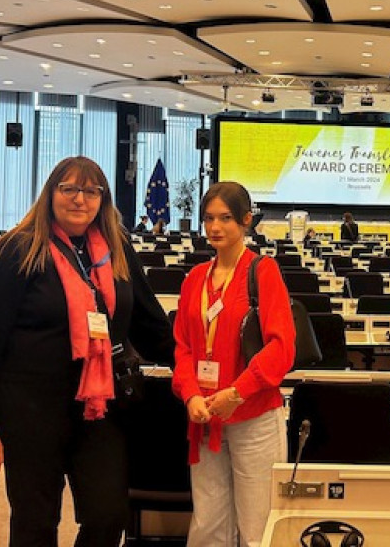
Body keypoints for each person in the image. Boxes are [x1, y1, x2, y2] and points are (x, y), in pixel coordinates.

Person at [0, 156, 174, 546]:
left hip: (99, 409)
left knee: (108, 516)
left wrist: (201, 361)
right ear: (50, 194)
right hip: (31, 411)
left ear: (102, 199)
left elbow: (149, 324)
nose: (79, 199)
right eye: (69, 188)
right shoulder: (18, 250)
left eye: (90, 191)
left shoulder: (117, 248)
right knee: (36, 523)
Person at [172, 181, 295, 547]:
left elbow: (281, 348)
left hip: (253, 416)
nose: (215, 227)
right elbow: (183, 347)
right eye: (209, 218)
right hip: (206, 417)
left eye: (225, 218)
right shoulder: (195, 279)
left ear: (245, 221)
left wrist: (237, 393)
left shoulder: (263, 271)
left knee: (257, 528)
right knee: (209, 524)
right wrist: (191, 394)